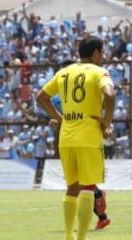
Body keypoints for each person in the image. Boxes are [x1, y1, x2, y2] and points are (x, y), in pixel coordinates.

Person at [36, 35, 115, 240]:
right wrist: (106, 121)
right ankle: (80, 238)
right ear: (97, 52)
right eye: (102, 52)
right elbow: (109, 94)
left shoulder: (64, 72)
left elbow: (41, 97)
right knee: (88, 188)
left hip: (67, 138)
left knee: (72, 188)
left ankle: (69, 235)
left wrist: (59, 118)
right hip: (88, 138)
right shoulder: (99, 72)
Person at [50, 59, 112, 231]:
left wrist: (105, 126)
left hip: (87, 138)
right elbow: (63, 117)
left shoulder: (87, 83)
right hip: (70, 139)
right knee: (80, 185)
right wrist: (57, 122)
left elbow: (94, 110)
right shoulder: (59, 97)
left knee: (80, 186)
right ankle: (100, 205)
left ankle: (99, 207)